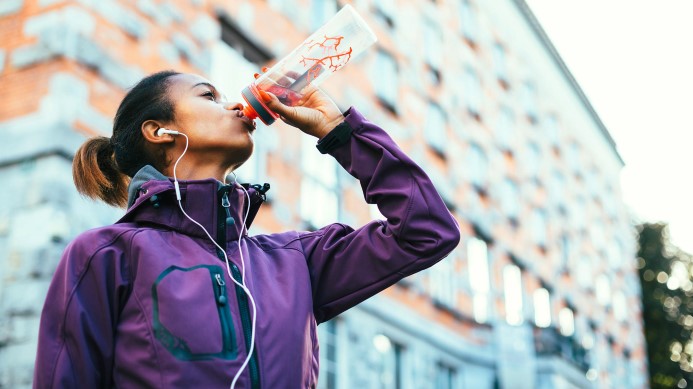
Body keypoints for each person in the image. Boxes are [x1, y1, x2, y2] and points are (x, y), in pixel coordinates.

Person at [33, 70, 460, 388]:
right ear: (160, 131)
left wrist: (340, 133)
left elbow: (426, 232)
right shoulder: (106, 255)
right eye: (210, 97)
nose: (237, 106)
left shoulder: (296, 261)